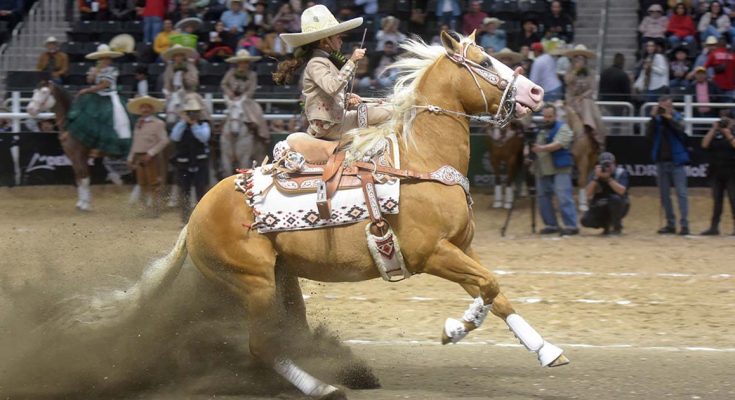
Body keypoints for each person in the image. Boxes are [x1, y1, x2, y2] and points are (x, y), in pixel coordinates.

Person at [274, 5, 391, 141]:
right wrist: (352, 61)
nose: (341, 41)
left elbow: (327, 94)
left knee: (382, 107)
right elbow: (332, 87)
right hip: (330, 126)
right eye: (338, 37)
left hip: (334, 121)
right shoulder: (316, 63)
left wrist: (346, 97)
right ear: (325, 41)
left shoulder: (322, 61)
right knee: (389, 112)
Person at [65, 44, 132, 157]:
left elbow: (104, 85)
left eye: (106, 58)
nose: (104, 60)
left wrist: (86, 90)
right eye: (101, 58)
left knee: (113, 116)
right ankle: (88, 143)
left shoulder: (113, 70)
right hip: (96, 96)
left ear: (109, 59)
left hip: (110, 96)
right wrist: (94, 73)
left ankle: (109, 146)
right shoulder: (95, 69)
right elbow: (89, 80)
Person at [531, 104, 579, 236]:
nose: (547, 119)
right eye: (545, 116)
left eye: (550, 116)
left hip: (560, 168)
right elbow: (533, 145)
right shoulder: (540, 130)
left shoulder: (563, 128)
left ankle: (571, 225)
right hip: (543, 168)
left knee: (563, 196)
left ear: (555, 116)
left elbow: (558, 144)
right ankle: (551, 224)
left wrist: (541, 148)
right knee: (543, 197)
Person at [646, 95, 690, 235]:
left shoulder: (677, 117)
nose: (665, 108)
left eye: (668, 106)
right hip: (661, 161)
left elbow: (680, 130)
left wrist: (668, 117)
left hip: (677, 161)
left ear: (672, 106)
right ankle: (670, 224)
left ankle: (684, 225)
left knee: (681, 193)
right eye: (662, 106)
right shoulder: (657, 120)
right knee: (664, 195)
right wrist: (653, 118)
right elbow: (648, 136)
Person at [220, 50, 269, 173]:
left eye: (245, 62)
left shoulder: (252, 74)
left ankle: (261, 135)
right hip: (231, 99)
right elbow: (224, 84)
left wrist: (244, 97)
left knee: (256, 113)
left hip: (247, 101)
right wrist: (230, 94)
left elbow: (252, 88)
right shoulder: (230, 73)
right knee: (227, 116)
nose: (243, 64)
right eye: (241, 62)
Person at [126, 96, 169, 217]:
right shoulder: (138, 123)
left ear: (152, 109)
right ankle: (146, 208)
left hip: (151, 157)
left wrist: (151, 153)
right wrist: (130, 157)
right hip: (139, 156)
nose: (144, 110)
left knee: (154, 183)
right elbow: (135, 142)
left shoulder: (158, 123)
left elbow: (164, 140)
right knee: (142, 183)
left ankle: (155, 209)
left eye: (147, 107)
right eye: (142, 107)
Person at [170, 98, 211, 224]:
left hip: (200, 162)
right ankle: (185, 218)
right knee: (184, 191)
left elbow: (203, 137)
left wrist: (194, 125)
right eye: (189, 112)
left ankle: (201, 219)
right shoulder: (180, 125)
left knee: (201, 191)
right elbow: (174, 137)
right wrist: (184, 122)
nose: (192, 115)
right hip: (184, 163)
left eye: (195, 112)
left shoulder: (203, 125)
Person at [563, 44, 606, 149]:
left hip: (585, 99)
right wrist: (575, 70)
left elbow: (592, 88)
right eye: (577, 58)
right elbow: (568, 82)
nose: (580, 60)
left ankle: (595, 133)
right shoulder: (569, 71)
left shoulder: (591, 73)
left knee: (596, 116)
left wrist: (582, 96)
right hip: (571, 99)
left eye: (582, 58)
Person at [700, 115, 735, 235]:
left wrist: (728, 134)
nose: (724, 123)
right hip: (716, 172)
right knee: (717, 201)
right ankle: (714, 227)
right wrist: (713, 130)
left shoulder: (732, 133)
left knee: (733, 200)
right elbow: (704, 144)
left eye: (727, 120)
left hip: (732, 172)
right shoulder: (716, 135)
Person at [580, 152, 630, 235]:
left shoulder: (620, 173)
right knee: (585, 221)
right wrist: (596, 178)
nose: (607, 167)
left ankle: (616, 226)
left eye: (609, 164)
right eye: (604, 164)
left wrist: (608, 179)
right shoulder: (595, 173)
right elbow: (588, 194)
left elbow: (622, 191)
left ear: (614, 164)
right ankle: (606, 225)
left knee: (615, 199)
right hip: (601, 203)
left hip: (619, 204)